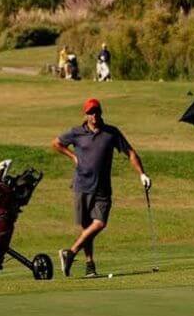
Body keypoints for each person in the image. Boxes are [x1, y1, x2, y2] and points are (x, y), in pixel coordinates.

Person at [52, 98, 150, 277]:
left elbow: (130, 153)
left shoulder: (111, 133)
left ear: (101, 112)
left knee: (100, 223)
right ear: (86, 114)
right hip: (82, 186)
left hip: (102, 188)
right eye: (90, 112)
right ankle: (90, 266)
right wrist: (73, 157)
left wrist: (142, 174)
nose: (94, 115)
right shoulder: (76, 132)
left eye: (96, 111)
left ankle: (70, 253)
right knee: (86, 228)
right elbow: (56, 143)